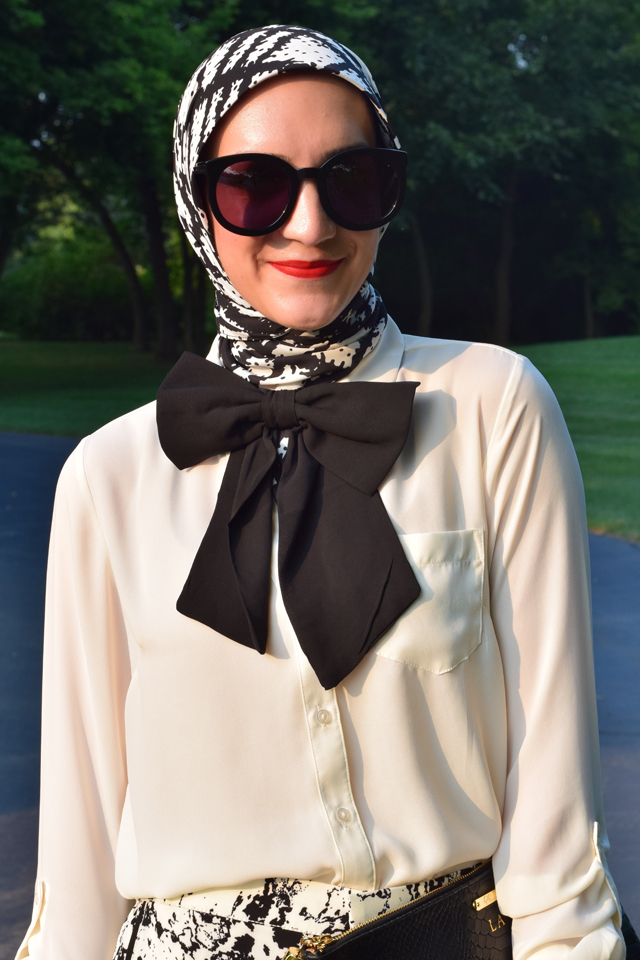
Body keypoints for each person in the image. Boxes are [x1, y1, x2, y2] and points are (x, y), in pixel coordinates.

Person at [16, 24, 625, 960]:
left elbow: (555, 802)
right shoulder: (108, 476)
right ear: (196, 201)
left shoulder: (493, 407)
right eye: (253, 184)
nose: (309, 224)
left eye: (353, 179)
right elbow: (81, 838)